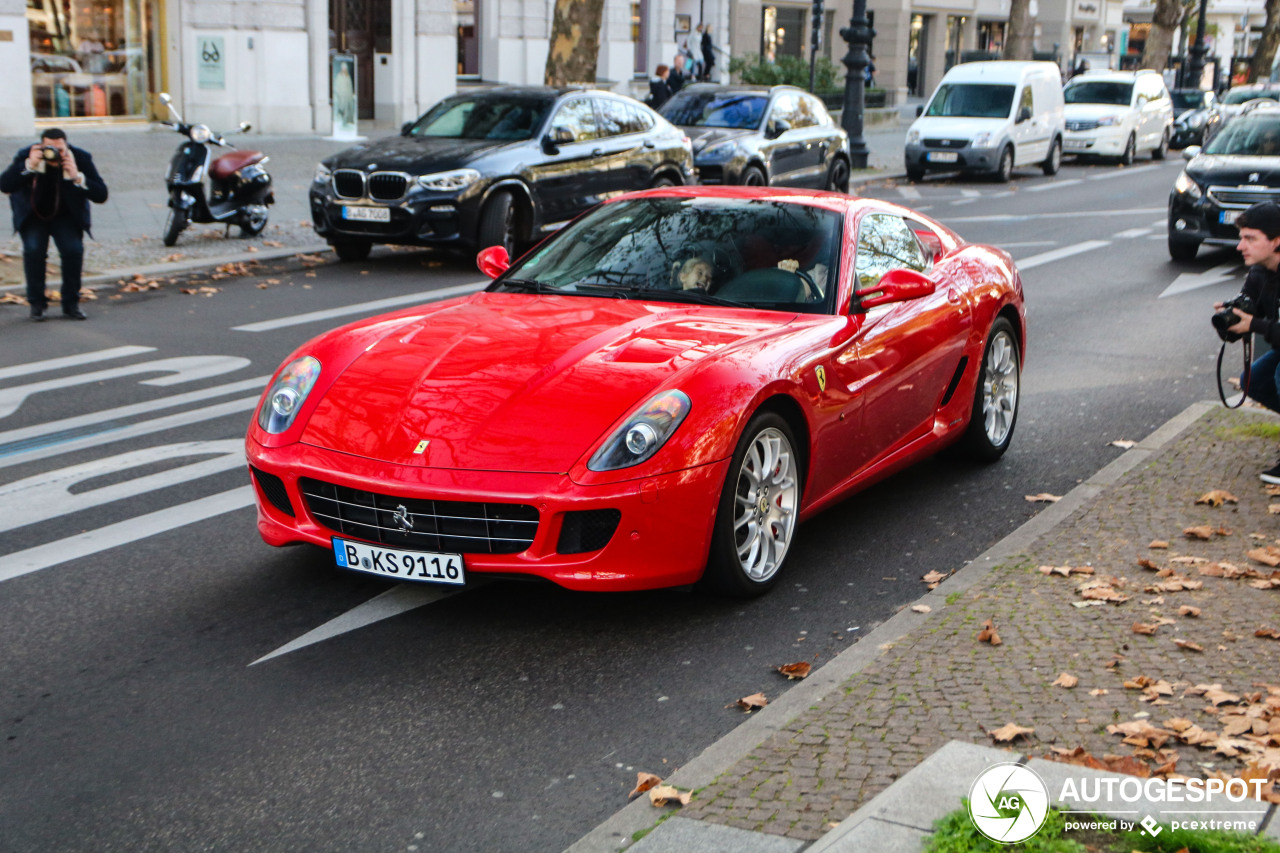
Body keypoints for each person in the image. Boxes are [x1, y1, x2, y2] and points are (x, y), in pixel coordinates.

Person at [0, 128, 108, 320]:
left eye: (59, 148)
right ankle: (37, 304)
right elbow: (6, 184)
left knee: (73, 251)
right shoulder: (28, 155)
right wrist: (29, 166)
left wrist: (77, 175)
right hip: (33, 214)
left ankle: (71, 303)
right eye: (50, 148)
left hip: (66, 216)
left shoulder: (80, 157)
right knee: (34, 252)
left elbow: (101, 194)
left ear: (66, 145)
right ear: (41, 145)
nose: (54, 154)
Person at [1215, 201, 1280, 481]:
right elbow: (1249, 318)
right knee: (1252, 381)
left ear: (1277, 241)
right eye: (1241, 238)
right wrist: (1232, 323)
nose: (1241, 246)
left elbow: (1258, 324)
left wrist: (1254, 324)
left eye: (1250, 239)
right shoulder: (1259, 273)